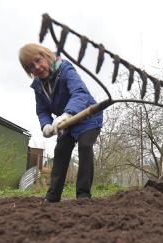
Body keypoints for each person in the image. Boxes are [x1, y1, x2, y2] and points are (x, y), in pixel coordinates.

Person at [19, 43, 103, 202]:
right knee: (61, 153)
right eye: (31, 66)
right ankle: (52, 197)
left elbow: (80, 93)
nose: (37, 67)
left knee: (85, 146)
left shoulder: (65, 69)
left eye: (38, 60)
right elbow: (42, 110)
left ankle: (83, 196)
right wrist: (46, 125)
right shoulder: (38, 86)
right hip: (66, 124)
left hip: (87, 116)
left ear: (46, 55)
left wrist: (67, 113)